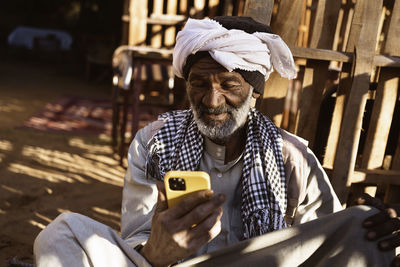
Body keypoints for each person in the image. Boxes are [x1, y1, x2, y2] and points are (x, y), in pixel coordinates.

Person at [34, 16, 399, 266]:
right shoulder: (153, 143)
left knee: (365, 229)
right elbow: (136, 245)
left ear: (254, 93)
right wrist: (158, 251)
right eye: (199, 83)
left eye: (229, 85)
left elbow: (327, 236)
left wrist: (365, 224)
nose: (211, 101)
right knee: (60, 234)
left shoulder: (291, 155)